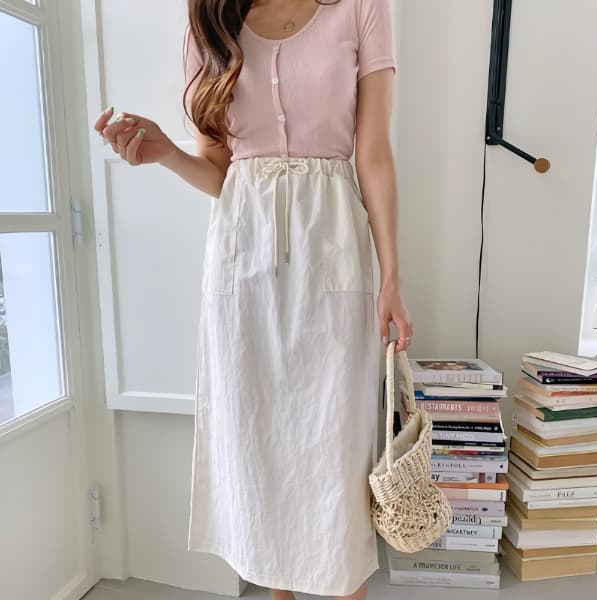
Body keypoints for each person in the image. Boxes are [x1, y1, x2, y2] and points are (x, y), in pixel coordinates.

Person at [93, 0, 413, 598]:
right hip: (242, 257)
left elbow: (373, 154)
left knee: (336, 448)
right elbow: (220, 172)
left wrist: (392, 275)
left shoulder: (361, 8)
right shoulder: (208, 23)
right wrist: (166, 153)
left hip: (333, 245)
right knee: (257, 444)